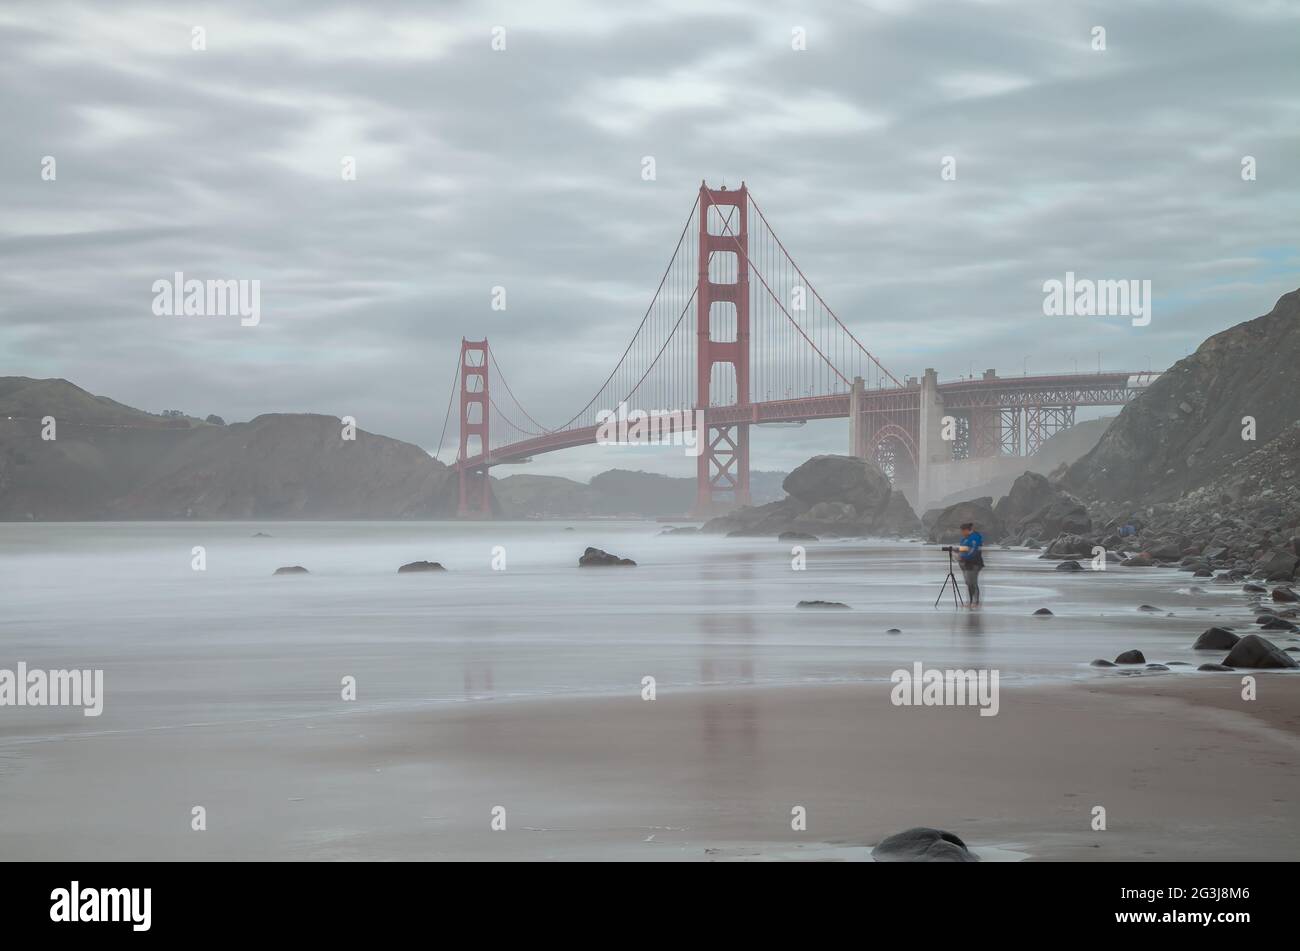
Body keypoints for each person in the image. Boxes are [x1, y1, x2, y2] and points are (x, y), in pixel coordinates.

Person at [956, 521, 984, 606]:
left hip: (974, 563)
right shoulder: (964, 539)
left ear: (967, 530)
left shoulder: (975, 537)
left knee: (973, 583)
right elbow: (963, 549)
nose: (962, 533)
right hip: (965, 564)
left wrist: (964, 557)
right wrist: (957, 553)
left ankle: (975, 602)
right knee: (968, 582)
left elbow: (973, 550)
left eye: (962, 531)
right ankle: (971, 601)